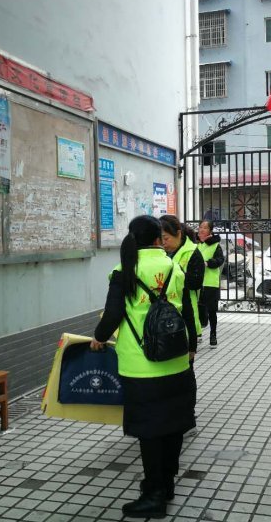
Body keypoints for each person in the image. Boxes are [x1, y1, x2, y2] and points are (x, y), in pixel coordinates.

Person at [91, 216, 197, 519]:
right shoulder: (173, 264)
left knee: (150, 430)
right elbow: (187, 309)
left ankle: (154, 496)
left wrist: (98, 338)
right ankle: (166, 483)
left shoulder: (124, 269)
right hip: (177, 361)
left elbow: (112, 315)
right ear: (158, 239)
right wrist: (191, 350)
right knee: (173, 425)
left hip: (142, 366)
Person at [160, 215, 205, 342]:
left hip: (185, 311)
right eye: (160, 239)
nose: (163, 243)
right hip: (162, 312)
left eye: (166, 238)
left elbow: (196, 282)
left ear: (178, 234)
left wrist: (176, 274)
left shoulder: (193, 252)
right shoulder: (160, 252)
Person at [197, 220, 224, 348]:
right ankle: (198, 333)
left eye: (205, 228)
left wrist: (208, 263)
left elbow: (220, 260)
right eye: (200, 227)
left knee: (212, 311)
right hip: (198, 282)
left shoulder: (215, 245)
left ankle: (213, 335)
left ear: (210, 231)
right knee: (197, 309)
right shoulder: (197, 244)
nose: (201, 230)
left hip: (211, 283)